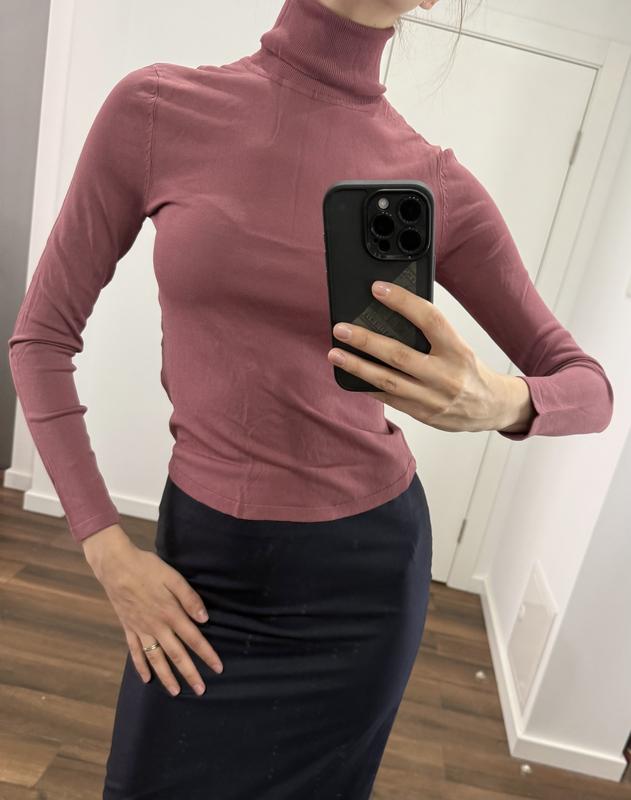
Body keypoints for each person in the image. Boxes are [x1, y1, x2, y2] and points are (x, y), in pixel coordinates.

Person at [7, 0, 614, 797]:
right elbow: (40, 339)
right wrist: (104, 546)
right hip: (206, 567)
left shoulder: (429, 178)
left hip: (361, 584)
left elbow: (589, 389)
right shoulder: (154, 110)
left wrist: (498, 401)